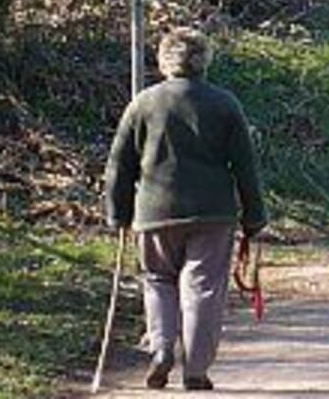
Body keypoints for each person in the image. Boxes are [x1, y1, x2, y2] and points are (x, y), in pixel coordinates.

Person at [104, 27, 267, 391]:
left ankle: (161, 348)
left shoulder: (143, 103)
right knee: (204, 288)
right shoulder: (225, 104)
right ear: (204, 62)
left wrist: (117, 212)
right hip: (212, 213)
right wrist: (255, 216)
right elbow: (245, 166)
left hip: (154, 213)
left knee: (158, 280)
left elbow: (120, 164)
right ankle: (195, 369)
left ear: (164, 61)